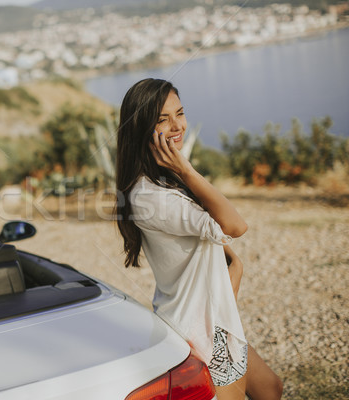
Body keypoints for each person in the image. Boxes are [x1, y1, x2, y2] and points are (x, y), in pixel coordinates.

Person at [115, 78, 283, 400]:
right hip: (201, 329)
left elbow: (220, 238)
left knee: (271, 388)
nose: (177, 126)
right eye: (163, 120)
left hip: (211, 317)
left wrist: (233, 270)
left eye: (180, 113)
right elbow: (235, 225)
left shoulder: (162, 180)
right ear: (140, 128)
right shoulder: (152, 196)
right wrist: (188, 170)